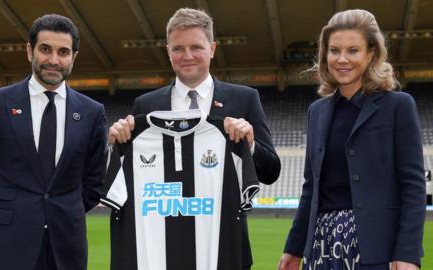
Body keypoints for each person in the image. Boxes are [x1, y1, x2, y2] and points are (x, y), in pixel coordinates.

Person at [108, 8, 281, 269]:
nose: (187, 56)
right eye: (178, 49)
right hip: (161, 250)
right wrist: (114, 142)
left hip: (223, 249)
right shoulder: (145, 105)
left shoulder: (244, 98)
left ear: (212, 48)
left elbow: (271, 171)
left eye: (196, 47)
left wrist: (250, 143)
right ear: (168, 52)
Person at [277, 9, 426, 270]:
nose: (342, 59)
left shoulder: (398, 106)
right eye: (334, 50)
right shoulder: (317, 112)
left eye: (353, 50)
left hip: (376, 247)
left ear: (371, 54)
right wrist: (294, 247)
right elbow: (311, 188)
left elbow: (413, 186)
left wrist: (407, 253)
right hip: (322, 246)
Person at [0, 14, 107, 270]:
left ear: (74, 56)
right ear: (30, 51)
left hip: (65, 247)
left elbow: (94, 183)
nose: (53, 60)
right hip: (3, 242)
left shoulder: (92, 111)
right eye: (45, 49)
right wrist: (2, 216)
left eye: (63, 52)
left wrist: (61, 211)